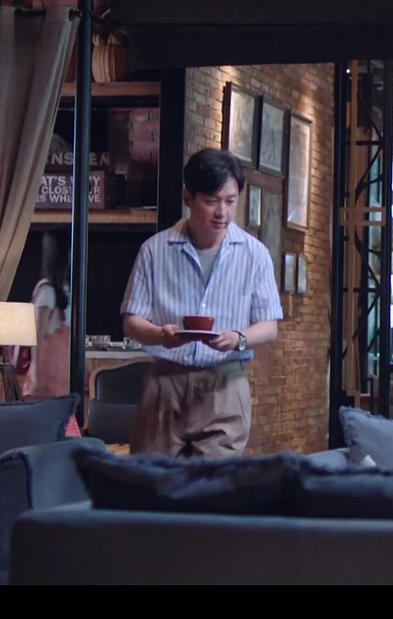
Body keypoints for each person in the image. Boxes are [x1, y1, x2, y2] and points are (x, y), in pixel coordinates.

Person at [121, 149, 282, 457]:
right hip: (165, 382)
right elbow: (132, 321)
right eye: (211, 201)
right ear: (188, 197)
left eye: (230, 201)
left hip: (225, 383)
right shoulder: (154, 250)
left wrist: (238, 338)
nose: (222, 212)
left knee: (214, 482)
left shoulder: (255, 254)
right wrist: (160, 335)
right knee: (152, 479)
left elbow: (269, 326)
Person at [20, 230, 80, 435]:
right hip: (47, 371)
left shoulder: (62, 289)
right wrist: (36, 375)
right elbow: (37, 335)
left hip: (59, 371)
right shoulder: (46, 291)